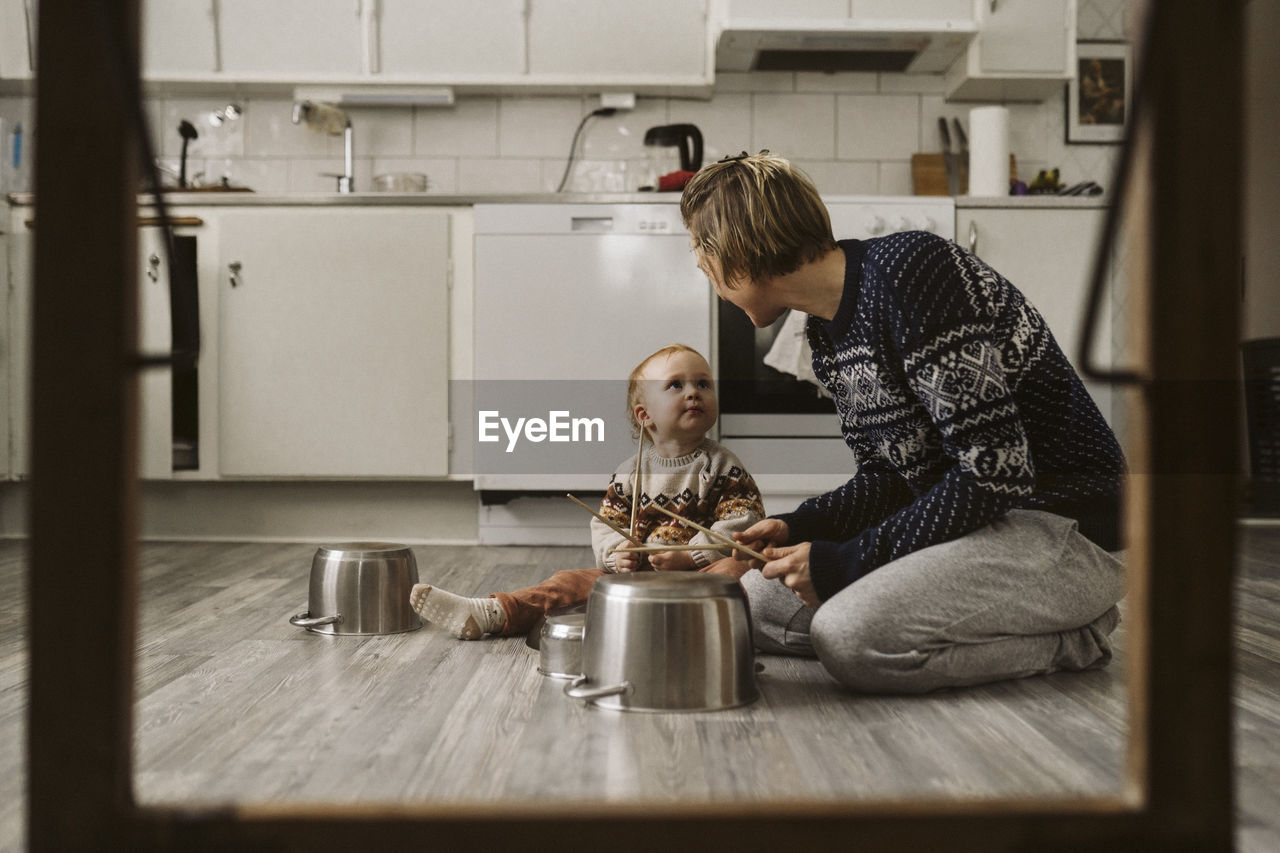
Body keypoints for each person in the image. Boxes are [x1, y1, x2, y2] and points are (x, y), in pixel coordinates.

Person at [680, 151, 1126, 694]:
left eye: (704, 258)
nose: (706, 273)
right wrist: (801, 528)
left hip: (1062, 529)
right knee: (750, 605)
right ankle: (937, 625)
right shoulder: (824, 335)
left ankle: (1078, 635)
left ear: (740, 255)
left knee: (850, 640)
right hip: (970, 528)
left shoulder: (913, 271)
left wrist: (850, 561)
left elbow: (995, 471)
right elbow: (888, 479)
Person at [410, 343, 765, 639]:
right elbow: (606, 526)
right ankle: (492, 613)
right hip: (636, 582)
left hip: (697, 579)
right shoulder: (628, 474)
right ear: (645, 416)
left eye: (703, 383)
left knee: (736, 575)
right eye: (676, 385)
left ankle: (699, 632)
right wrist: (617, 555)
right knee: (567, 583)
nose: (693, 392)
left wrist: (689, 557)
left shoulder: (723, 467)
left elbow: (743, 526)